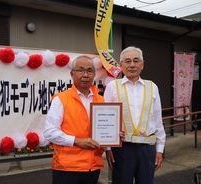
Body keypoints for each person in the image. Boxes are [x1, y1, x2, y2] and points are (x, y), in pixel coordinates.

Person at [104, 46, 166, 184]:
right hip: (122, 149)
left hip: (147, 148)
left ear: (142, 64)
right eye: (127, 61)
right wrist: (108, 148)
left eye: (136, 61)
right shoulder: (112, 87)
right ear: (121, 65)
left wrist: (160, 149)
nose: (132, 65)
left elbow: (157, 120)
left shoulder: (152, 87)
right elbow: (106, 119)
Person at [44, 55, 106, 184]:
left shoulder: (101, 100)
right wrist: (77, 141)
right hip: (67, 168)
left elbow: (103, 129)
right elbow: (50, 133)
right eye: (81, 70)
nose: (85, 75)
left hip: (92, 166)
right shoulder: (61, 99)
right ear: (72, 74)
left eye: (89, 71)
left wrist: (113, 136)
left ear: (94, 74)